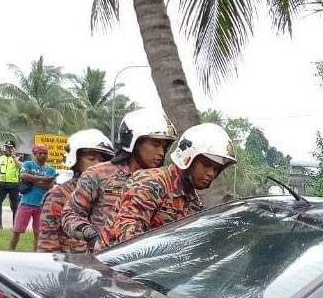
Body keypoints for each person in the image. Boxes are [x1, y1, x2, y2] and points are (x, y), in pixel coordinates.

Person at [97, 122, 236, 250]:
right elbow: (128, 233)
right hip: (111, 268)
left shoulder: (192, 201)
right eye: (206, 165)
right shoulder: (151, 182)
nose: (211, 173)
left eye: (216, 169)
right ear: (188, 158)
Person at [61, 108, 177, 250]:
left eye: (164, 147)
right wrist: (90, 233)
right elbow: (70, 214)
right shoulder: (98, 174)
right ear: (133, 141)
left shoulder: (166, 182)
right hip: (103, 260)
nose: (161, 152)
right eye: (155, 144)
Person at [37, 130, 115, 253]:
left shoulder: (111, 194)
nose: (98, 165)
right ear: (75, 160)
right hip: (71, 266)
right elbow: (47, 246)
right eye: (91, 159)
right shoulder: (58, 196)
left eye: (102, 160)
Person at [9, 145, 57, 251]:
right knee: (17, 231)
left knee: (38, 233)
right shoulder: (28, 164)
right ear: (34, 154)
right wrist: (43, 179)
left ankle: (36, 255)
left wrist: (33, 179)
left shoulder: (51, 169)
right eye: (40, 153)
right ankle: (10, 252)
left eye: (45, 153)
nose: (43, 155)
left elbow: (50, 186)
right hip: (26, 203)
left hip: (41, 206)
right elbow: (23, 176)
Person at [0, 141, 21, 230]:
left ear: (14, 148)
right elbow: (0, 168)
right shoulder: (1, 158)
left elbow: (19, 166)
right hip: (2, 183)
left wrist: (14, 156)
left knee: (14, 206)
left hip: (14, 184)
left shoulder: (18, 157)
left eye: (10, 147)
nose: (8, 149)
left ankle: (15, 226)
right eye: (7, 147)